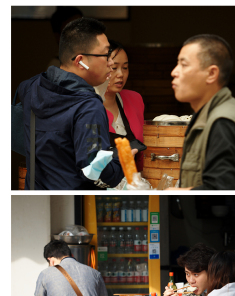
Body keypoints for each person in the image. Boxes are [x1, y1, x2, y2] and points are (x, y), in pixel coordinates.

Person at [17, 17, 126, 190]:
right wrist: (121, 160)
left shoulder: (30, 88)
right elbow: (95, 170)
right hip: (75, 203)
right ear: (80, 61)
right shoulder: (89, 106)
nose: (111, 63)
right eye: (106, 55)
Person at [171, 34, 235, 190]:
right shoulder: (211, 114)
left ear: (211, 74)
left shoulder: (223, 121)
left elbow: (221, 194)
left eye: (184, 65)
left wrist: (178, 193)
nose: (174, 72)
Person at [103, 41, 146, 172]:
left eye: (125, 68)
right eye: (114, 68)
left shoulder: (134, 99)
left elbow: (141, 155)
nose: (121, 74)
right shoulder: (86, 106)